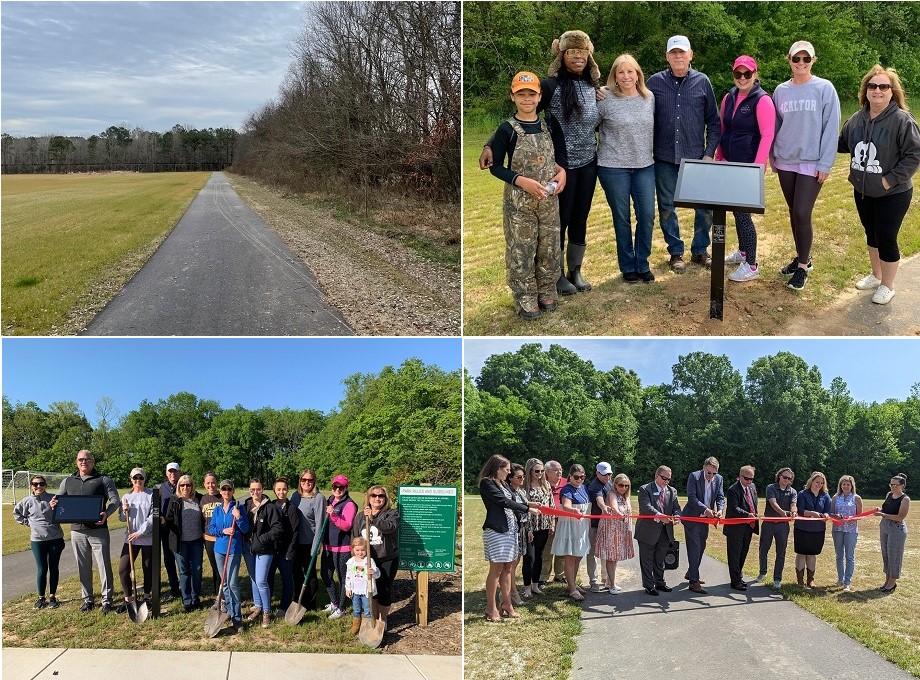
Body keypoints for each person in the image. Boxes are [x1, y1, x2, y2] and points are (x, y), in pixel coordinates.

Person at [481, 30, 602, 295]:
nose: (578, 58)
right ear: (562, 54)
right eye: (572, 53)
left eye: (582, 53)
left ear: (589, 55)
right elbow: (524, 112)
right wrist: (491, 143)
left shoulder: (593, 88)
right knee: (561, 220)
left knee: (581, 217)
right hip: (561, 166)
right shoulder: (550, 86)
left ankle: (576, 270)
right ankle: (555, 274)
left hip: (589, 162)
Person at [838, 65, 920, 304]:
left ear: (892, 91)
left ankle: (888, 285)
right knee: (871, 233)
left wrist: (888, 180)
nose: (877, 90)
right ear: (866, 91)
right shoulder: (856, 119)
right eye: (872, 86)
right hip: (862, 190)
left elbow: (914, 155)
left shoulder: (901, 120)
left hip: (893, 193)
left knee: (886, 237)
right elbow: (843, 144)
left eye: (883, 86)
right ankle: (876, 275)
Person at [488, 71, 567, 319]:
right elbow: (496, 166)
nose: (526, 99)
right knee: (522, 249)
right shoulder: (507, 129)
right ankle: (524, 296)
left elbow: (558, 158)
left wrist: (562, 173)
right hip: (519, 203)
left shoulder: (549, 125)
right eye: (521, 94)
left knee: (549, 247)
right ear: (512, 96)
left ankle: (546, 290)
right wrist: (521, 181)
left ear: (539, 96)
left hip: (548, 201)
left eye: (531, 94)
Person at [646, 35, 720, 272]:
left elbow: (714, 122)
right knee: (667, 207)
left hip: (696, 157)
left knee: (704, 207)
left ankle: (700, 251)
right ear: (667, 56)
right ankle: (675, 252)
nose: (678, 56)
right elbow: (633, 101)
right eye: (673, 53)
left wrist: (709, 154)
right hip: (664, 157)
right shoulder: (654, 83)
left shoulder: (703, 82)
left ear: (691, 55)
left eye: (682, 52)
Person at [772, 40, 841, 291]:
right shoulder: (781, 90)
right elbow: (776, 125)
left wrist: (825, 162)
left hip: (812, 161)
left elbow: (831, 127)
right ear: (789, 60)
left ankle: (803, 267)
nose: (801, 63)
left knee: (802, 211)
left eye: (806, 59)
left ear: (813, 60)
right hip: (786, 159)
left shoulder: (824, 88)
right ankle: (802, 257)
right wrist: (773, 155)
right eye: (796, 59)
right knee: (793, 212)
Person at [715, 55, 776, 282]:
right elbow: (723, 128)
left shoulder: (762, 100)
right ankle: (742, 252)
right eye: (738, 73)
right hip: (729, 163)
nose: (742, 78)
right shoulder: (728, 98)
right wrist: (720, 155)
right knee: (735, 210)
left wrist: (758, 167)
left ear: (755, 74)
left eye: (747, 74)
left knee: (743, 214)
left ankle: (751, 264)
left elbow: (767, 135)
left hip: (748, 166)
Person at [596, 53, 656, 282]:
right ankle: (628, 266)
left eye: (631, 71)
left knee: (647, 215)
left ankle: (643, 263)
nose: (626, 76)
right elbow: (588, 126)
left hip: (644, 165)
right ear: (615, 76)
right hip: (613, 167)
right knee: (621, 217)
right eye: (621, 72)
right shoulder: (604, 99)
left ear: (638, 74)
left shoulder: (649, 97)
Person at [50, 450, 120, 613]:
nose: (83, 462)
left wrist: (106, 514)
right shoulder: (68, 481)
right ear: (76, 462)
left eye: (87, 459)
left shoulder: (104, 480)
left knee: (103, 565)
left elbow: (115, 501)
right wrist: (54, 504)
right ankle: (88, 600)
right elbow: (58, 500)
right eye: (80, 459)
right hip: (77, 531)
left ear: (93, 461)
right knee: (83, 566)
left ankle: (107, 600)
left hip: (98, 530)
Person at [478, 454, 541, 620]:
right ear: (497, 468)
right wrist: (527, 509)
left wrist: (528, 504)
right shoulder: (487, 483)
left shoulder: (503, 483)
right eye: (506, 469)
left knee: (508, 569)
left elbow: (513, 499)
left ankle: (507, 603)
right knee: (496, 570)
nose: (508, 472)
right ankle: (491, 608)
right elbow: (503, 502)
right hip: (497, 532)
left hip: (511, 531)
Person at [13, 474, 65, 609]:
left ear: (45, 485)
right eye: (35, 484)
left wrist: (58, 508)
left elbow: (64, 512)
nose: (38, 486)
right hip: (37, 541)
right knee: (42, 569)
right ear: (31, 486)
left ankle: (53, 596)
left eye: (41, 484)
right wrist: (28, 523)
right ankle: (41, 598)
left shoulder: (53, 498)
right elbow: (17, 513)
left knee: (54, 568)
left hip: (55, 539)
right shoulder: (26, 501)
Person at [351, 484, 399, 627]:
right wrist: (355, 558)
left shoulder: (392, 513)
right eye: (374, 495)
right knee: (370, 590)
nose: (377, 498)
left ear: (385, 498)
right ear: (368, 497)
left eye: (381, 496)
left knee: (383, 590)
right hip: (367, 560)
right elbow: (355, 537)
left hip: (386, 559)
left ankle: (382, 620)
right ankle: (372, 618)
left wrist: (373, 519)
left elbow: (390, 528)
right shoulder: (360, 516)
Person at [209, 479, 250, 632]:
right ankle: (229, 613)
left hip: (233, 550)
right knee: (225, 584)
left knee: (232, 584)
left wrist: (238, 518)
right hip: (219, 550)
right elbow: (211, 528)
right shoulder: (217, 510)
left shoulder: (238, 508)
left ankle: (237, 619)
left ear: (233, 491)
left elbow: (246, 529)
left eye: (229, 489)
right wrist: (223, 531)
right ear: (220, 491)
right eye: (224, 489)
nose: (226, 492)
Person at [634, 466, 681, 596]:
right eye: (664, 478)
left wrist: (677, 516)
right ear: (657, 476)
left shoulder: (672, 491)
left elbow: (676, 508)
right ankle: (649, 586)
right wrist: (661, 516)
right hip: (647, 531)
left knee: (660, 559)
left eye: (669, 479)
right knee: (647, 560)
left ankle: (660, 582)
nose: (666, 481)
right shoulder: (645, 489)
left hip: (665, 532)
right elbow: (646, 508)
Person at [682, 457, 725, 594]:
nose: (711, 476)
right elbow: (692, 497)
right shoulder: (694, 477)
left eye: (714, 473)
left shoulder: (719, 479)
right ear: (703, 468)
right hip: (692, 518)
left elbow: (720, 497)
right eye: (708, 473)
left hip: (706, 519)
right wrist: (706, 510)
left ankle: (691, 572)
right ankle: (693, 582)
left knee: (701, 546)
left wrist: (719, 510)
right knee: (694, 547)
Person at [243, 478, 282, 627]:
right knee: (253, 578)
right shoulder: (247, 504)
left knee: (261, 580)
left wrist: (261, 539)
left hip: (265, 549)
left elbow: (277, 529)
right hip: (249, 548)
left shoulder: (270, 507)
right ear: (249, 490)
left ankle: (267, 611)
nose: (255, 492)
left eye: (258, 489)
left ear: (262, 489)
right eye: (252, 489)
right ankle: (258, 606)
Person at [164, 474, 205, 612]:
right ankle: (187, 600)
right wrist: (162, 521)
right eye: (182, 485)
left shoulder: (199, 499)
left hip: (197, 541)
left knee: (197, 571)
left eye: (188, 485)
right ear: (178, 486)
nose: (185, 487)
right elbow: (168, 519)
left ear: (192, 486)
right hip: (180, 543)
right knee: (184, 572)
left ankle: (195, 598)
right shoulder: (174, 500)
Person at [552, 464, 592, 601]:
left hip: (581, 526)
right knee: (570, 556)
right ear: (570, 476)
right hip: (570, 525)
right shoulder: (567, 489)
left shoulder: (584, 488)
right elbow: (566, 505)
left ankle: (572, 584)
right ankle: (572, 589)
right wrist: (573, 511)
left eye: (582, 477)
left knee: (578, 556)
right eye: (576, 477)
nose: (580, 479)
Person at [116, 468, 153, 614]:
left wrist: (140, 532)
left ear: (144, 479)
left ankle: (147, 597)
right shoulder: (126, 496)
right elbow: (121, 518)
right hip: (130, 538)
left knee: (147, 568)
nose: (138, 480)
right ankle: (129, 600)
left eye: (141, 477)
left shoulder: (151, 495)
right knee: (123, 569)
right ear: (131, 479)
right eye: (135, 478)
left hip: (147, 538)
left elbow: (151, 517)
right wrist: (123, 511)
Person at [322, 474, 358, 620]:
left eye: (341, 487)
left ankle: (342, 608)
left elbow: (347, 525)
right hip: (328, 547)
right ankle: (334, 602)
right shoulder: (329, 500)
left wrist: (334, 516)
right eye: (335, 486)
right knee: (326, 575)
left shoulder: (349, 504)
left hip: (342, 548)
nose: (337, 489)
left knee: (343, 578)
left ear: (346, 488)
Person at [593, 473, 634, 593]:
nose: (624, 488)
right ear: (615, 485)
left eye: (626, 485)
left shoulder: (626, 496)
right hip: (611, 530)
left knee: (614, 558)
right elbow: (614, 506)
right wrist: (618, 513)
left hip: (620, 530)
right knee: (611, 558)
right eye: (621, 485)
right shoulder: (612, 494)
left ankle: (609, 582)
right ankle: (612, 586)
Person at [290, 468, 324, 611]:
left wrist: (315, 547)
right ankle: (298, 600)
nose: (307, 482)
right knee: (296, 573)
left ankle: (310, 604)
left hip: (309, 543)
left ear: (314, 481)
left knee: (309, 575)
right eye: (304, 480)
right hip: (295, 542)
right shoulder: (295, 496)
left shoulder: (318, 498)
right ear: (300, 481)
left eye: (310, 480)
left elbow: (320, 523)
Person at [758, 467, 797, 590]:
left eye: (789, 478)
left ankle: (777, 579)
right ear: (779, 476)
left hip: (783, 526)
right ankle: (763, 571)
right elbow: (773, 504)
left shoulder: (792, 491)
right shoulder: (771, 488)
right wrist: (785, 513)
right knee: (763, 549)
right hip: (769, 524)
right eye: (784, 477)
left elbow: (793, 504)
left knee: (781, 552)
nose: (787, 480)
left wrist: (793, 512)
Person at [724, 465, 760, 591]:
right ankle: (735, 581)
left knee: (743, 553)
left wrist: (754, 514)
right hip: (735, 528)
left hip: (748, 527)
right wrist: (747, 514)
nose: (749, 481)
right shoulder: (733, 490)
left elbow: (754, 503)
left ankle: (738, 576)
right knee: (734, 554)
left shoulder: (752, 487)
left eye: (751, 479)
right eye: (746, 478)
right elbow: (734, 508)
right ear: (739, 476)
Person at [794, 471, 832, 588]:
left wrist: (826, 515)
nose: (819, 484)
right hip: (802, 529)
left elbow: (827, 510)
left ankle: (810, 580)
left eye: (821, 483)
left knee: (812, 554)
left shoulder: (825, 496)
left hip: (818, 530)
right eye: (817, 482)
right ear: (811, 481)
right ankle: (800, 580)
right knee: (801, 553)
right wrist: (812, 513)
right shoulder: (802, 494)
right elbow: (799, 510)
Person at [268, 477, 300, 615]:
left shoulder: (292, 508)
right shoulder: (271, 505)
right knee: (268, 577)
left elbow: (295, 532)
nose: (281, 492)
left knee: (287, 579)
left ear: (287, 490)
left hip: (286, 551)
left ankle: (285, 606)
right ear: (274, 490)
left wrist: (290, 551)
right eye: (278, 489)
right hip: (272, 550)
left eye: (284, 489)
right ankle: (266, 604)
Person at [522, 458, 553, 598]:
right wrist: (527, 528)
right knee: (529, 557)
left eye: (542, 471)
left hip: (544, 525)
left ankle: (535, 585)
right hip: (529, 527)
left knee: (539, 556)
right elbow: (522, 507)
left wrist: (552, 523)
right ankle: (527, 587)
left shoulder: (546, 485)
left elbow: (551, 505)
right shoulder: (524, 487)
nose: (539, 473)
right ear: (529, 470)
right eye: (536, 471)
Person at [875, 473, 910, 592]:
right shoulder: (889, 495)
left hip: (896, 529)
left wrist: (883, 514)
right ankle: (887, 580)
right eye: (891, 484)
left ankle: (892, 583)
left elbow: (900, 517)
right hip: (885, 526)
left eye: (896, 485)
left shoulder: (905, 499)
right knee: (886, 554)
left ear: (902, 485)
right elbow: (885, 509)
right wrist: (879, 510)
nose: (893, 487)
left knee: (894, 556)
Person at [830, 475, 863, 591]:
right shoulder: (835, 497)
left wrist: (850, 519)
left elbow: (860, 516)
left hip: (851, 531)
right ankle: (840, 579)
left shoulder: (857, 498)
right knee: (839, 555)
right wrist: (837, 517)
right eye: (843, 484)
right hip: (837, 530)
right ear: (840, 485)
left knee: (849, 556)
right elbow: (831, 513)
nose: (845, 486)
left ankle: (847, 582)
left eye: (848, 484)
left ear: (851, 485)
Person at [586, 462, 613, 591]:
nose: (607, 476)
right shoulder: (595, 485)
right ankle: (593, 580)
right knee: (592, 552)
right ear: (597, 473)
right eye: (604, 474)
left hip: (605, 524)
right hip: (594, 524)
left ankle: (605, 577)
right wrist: (604, 508)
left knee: (605, 551)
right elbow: (599, 499)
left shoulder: (609, 483)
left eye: (609, 474)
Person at [344, 536, 380, 636]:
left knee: (368, 610)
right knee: (356, 609)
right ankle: (356, 625)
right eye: (357, 550)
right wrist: (348, 588)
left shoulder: (369, 561)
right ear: (353, 550)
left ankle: (368, 626)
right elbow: (348, 576)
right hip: (355, 591)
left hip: (366, 591)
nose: (360, 552)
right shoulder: (351, 562)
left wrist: (373, 571)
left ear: (366, 550)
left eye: (363, 550)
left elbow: (378, 574)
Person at [157, 462, 182, 601]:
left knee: (182, 559)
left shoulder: (184, 485)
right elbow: (156, 508)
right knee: (169, 559)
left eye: (175, 472)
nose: (173, 474)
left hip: (181, 530)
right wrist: (161, 518)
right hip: (166, 530)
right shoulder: (161, 488)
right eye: (170, 472)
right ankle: (174, 588)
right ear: (167, 474)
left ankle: (185, 586)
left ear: (179, 472)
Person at [539, 460, 567, 585]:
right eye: (556, 470)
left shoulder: (566, 483)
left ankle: (559, 575)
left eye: (560, 469)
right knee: (547, 550)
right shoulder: (541, 483)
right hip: (547, 521)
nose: (559, 472)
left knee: (562, 549)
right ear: (547, 472)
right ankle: (543, 577)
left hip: (563, 520)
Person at [506, 463, 530, 605]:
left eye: (523, 476)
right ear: (510, 478)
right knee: (511, 565)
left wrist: (528, 529)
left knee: (517, 561)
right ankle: (512, 593)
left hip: (522, 530)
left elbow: (526, 511)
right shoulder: (509, 493)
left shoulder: (521, 491)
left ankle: (510, 591)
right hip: (513, 531)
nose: (522, 479)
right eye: (519, 477)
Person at [199, 472, 223, 596]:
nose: (211, 485)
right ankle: (217, 593)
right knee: (215, 567)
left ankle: (224, 593)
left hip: (222, 538)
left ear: (216, 482)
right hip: (208, 539)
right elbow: (201, 519)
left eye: (213, 482)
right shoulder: (203, 499)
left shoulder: (223, 496)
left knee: (222, 568)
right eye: (208, 483)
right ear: (204, 484)